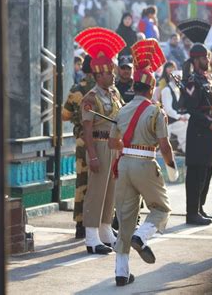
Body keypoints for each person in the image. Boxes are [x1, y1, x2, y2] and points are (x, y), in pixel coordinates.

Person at [109, 39, 175, 286]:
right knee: (161, 208)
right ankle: (142, 236)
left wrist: (126, 144)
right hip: (146, 163)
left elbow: (111, 144)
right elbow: (165, 146)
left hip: (124, 164)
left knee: (125, 218)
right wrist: (172, 167)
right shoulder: (157, 111)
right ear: (150, 89)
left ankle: (121, 272)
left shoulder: (122, 110)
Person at [76, 28, 126, 254]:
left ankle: (106, 230)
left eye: (113, 72)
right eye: (109, 73)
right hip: (98, 145)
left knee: (110, 191)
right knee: (96, 191)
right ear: (98, 76)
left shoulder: (114, 94)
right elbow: (87, 130)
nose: (113, 75)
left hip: (114, 146)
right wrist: (93, 155)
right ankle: (91, 236)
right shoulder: (91, 98)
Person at [178, 18, 212, 226]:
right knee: (196, 173)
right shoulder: (193, 81)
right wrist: (209, 123)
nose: (208, 59)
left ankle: (200, 208)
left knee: (207, 172)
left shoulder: (207, 79)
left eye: (208, 55)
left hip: (210, 132)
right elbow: (192, 109)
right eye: (204, 56)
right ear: (196, 60)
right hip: (198, 132)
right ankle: (191, 212)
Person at [62, 55, 96, 239]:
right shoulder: (103, 90)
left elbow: (65, 115)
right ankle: (98, 223)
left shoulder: (76, 90)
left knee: (82, 182)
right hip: (101, 141)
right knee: (100, 184)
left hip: (82, 141)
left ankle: (80, 224)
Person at [161, 69, 189, 153]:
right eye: (177, 77)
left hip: (179, 120)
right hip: (169, 123)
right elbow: (168, 110)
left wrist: (186, 116)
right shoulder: (166, 90)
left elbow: (186, 108)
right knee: (185, 126)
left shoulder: (181, 89)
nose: (178, 79)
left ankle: (185, 150)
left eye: (180, 78)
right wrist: (179, 117)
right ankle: (185, 150)